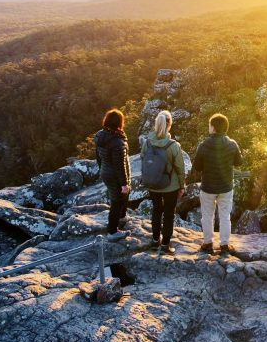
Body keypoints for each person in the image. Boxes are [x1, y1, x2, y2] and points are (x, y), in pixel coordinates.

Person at [193, 113, 243, 254]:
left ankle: (208, 243)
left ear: (213, 128)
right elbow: (239, 162)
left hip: (208, 187)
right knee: (225, 216)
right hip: (226, 187)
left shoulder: (203, 145)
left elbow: (197, 167)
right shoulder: (232, 144)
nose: (209, 128)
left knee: (207, 216)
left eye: (210, 125)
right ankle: (225, 245)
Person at [140, 110, 186, 254]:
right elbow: (180, 168)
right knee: (168, 214)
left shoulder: (147, 142)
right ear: (169, 125)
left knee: (156, 211)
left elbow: (143, 159)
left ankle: (154, 241)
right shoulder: (173, 145)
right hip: (170, 186)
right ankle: (165, 245)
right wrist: (182, 185)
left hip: (153, 184)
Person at [95, 108, 130, 241]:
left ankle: (121, 217)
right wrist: (124, 183)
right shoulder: (117, 142)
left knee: (118, 198)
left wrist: (102, 169)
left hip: (106, 171)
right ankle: (112, 231)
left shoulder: (100, 135)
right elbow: (119, 166)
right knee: (116, 201)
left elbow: (98, 155)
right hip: (115, 174)